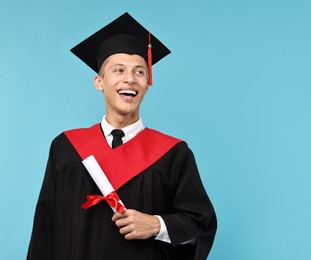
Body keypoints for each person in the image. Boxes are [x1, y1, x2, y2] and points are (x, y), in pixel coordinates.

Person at [27, 12, 217, 260]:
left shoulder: (174, 154)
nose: (130, 78)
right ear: (99, 82)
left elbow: (200, 225)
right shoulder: (65, 147)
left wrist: (157, 225)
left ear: (147, 84)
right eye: (119, 70)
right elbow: (45, 229)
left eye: (139, 72)